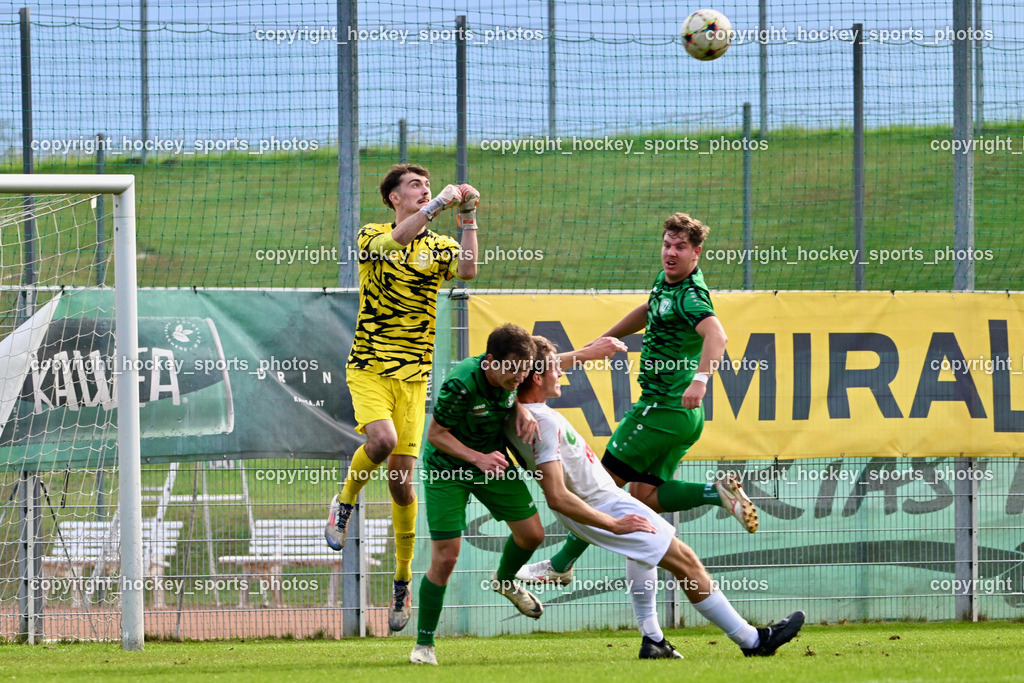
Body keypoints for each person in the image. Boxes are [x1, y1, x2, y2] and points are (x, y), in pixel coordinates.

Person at [508, 336, 804, 659]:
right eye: (555, 368)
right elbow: (557, 497)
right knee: (686, 563)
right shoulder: (543, 423)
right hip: (605, 505)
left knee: (643, 553)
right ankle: (754, 641)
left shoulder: (517, 412)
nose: (561, 372)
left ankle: (653, 640)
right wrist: (615, 523)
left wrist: (585, 355)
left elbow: (530, 372)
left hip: (600, 504)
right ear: (537, 377)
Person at [518, 212, 758, 586]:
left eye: (680, 247)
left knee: (601, 490)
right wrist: (600, 342)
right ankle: (717, 493)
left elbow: (718, 337)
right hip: (680, 419)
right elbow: (649, 309)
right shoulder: (668, 282)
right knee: (644, 495)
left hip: (660, 410)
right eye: (667, 245)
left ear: (697, 253)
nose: (671, 253)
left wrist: (700, 380)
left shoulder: (692, 296)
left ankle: (561, 564)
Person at [409, 324, 627, 666]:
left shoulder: (517, 369)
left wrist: (521, 407)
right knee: (447, 557)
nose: (520, 376)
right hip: (448, 470)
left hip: (491, 464)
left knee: (532, 534)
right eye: (513, 369)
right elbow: (436, 434)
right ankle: (424, 646)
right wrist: (477, 457)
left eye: (526, 369)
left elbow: (540, 371)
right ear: (491, 362)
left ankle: (505, 581)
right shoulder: (461, 384)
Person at [325, 164, 480, 633]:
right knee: (380, 441)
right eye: (414, 186)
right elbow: (396, 243)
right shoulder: (372, 235)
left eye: (427, 186)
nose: (424, 191)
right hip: (370, 366)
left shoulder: (438, 246)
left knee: (400, 485)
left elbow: (469, 270)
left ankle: (400, 581)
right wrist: (439, 204)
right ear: (394, 198)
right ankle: (344, 501)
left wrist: (469, 217)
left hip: (414, 380)